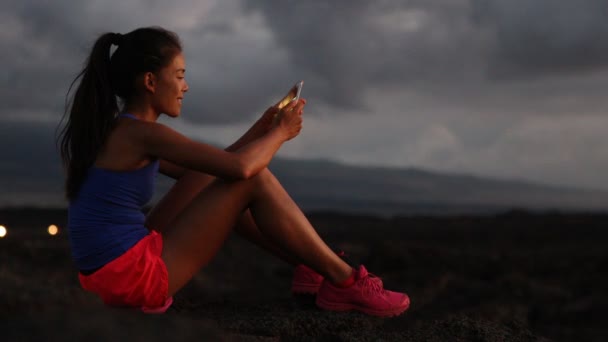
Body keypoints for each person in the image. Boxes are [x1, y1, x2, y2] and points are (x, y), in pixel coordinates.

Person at [57, 26, 410, 316]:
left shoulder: (122, 131)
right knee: (254, 180)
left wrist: (262, 126)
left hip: (107, 274)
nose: (185, 86)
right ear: (150, 82)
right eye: (179, 76)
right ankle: (344, 281)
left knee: (220, 180)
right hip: (130, 280)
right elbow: (243, 170)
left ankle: (314, 267)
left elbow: (216, 169)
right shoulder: (144, 135)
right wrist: (280, 133)